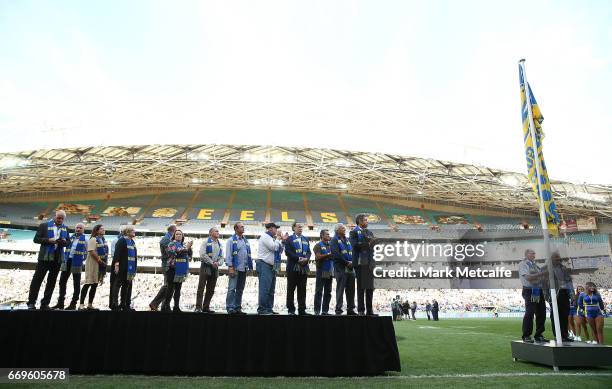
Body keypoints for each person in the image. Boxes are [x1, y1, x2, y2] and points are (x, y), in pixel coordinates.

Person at [27, 210, 69, 310]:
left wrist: (63, 242)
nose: (60, 220)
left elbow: (68, 242)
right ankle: (31, 303)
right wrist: (48, 240)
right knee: (37, 280)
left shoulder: (65, 228)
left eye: (62, 218)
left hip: (57, 258)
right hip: (44, 258)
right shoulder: (44, 225)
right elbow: (36, 239)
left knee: (51, 282)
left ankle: (45, 304)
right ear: (54, 216)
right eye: (58, 218)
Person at [53, 223, 87, 310]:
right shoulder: (71, 238)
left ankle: (73, 304)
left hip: (77, 262)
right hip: (67, 261)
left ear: (83, 230)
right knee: (62, 282)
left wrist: (82, 259)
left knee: (76, 283)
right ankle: (60, 302)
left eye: (80, 228)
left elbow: (87, 252)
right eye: (77, 228)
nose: (78, 229)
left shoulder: (86, 239)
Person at [518, 249, 549, 343]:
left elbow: (540, 278)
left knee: (541, 313)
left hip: (538, 290)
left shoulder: (535, 265)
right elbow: (528, 277)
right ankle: (526, 335)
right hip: (529, 290)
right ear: (526, 254)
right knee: (530, 313)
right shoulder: (523, 264)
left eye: (534, 253)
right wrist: (543, 274)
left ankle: (539, 335)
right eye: (532, 253)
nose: (534, 255)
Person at [350, 214, 377, 316]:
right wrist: (369, 243)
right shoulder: (353, 232)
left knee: (370, 287)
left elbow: (374, 246)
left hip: (369, 263)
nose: (367, 222)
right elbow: (355, 246)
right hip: (360, 262)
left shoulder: (369, 232)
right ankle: (361, 310)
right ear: (360, 221)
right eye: (366, 220)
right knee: (361, 287)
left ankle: (369, 310)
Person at [257, 222, 285, 315]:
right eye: (275, 228)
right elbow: (274, 247)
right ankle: (262, 309)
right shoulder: (265, 237)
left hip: (271, 265)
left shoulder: (271, 238)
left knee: (271, 289)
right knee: (265, 288)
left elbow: (280, 250)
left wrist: (282, 242)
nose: (276, 230)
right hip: (265, 265)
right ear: (270, 229)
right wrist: (278, 238)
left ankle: (269, 308)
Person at [284, 222, 312, 315]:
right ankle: (291, 310)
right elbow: (287, 252)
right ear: (294, 228)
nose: (300, 228)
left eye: (301, 227)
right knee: (291, 289)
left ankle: (302, 309)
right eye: (298, 227)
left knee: (302, 289)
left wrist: (306, 259)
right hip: (292, 268)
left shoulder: (305, 239)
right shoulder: (289, 239)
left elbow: (309, 252)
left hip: (303, 267)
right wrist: (298, 258)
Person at [162, 229, 193, 312]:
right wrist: (186, 248)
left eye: (180, 234)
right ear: (174, 236)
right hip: (172, 269)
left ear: (182, 236)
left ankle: (176, 306)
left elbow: (189, 257)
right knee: (170, 288)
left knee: (178, 290)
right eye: (177, 234)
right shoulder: (171, 244)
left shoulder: (183, 245)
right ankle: (166, 306)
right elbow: (174, 253)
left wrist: (189, 249)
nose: (178, 235)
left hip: (181, 269)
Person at [195, 227, 225, 313]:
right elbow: (202, 255)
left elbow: (222, 257)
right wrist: (212, 262)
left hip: (215, 267)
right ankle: (198, 307)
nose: (218, 232)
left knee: (211, 289)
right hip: (206, 266)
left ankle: (206, 307)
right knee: (201, 287)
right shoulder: (205, 242)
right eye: (216, 231)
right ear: (211, 233)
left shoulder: (220, 244)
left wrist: (218, 263)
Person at [225, 222, 252, 314]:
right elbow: (228, 254)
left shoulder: (245, 240)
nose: (243, 228)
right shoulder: (230, 240)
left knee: (240, 289)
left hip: (243, 268)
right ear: (236, 229)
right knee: (232, 288)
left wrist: (248, 266)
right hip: (235, 268)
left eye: (243, 227)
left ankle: (237, 307)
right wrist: (230, 267)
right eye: (241, 227)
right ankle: (230, 307)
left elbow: (247, 254)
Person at [80, 224, 108, 310]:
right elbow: (91, 251)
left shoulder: (102, 240)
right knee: (88, 283)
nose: (104, 230)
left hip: (99, 265)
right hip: (92, 264)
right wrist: (100, 261)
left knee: (95, 285)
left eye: (104, 229)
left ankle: (90, 304)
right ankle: (81, 305)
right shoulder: (93, 239)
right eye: (102, 229)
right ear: (97, 230)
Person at [330, 223, 356, 316]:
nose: (344, 229)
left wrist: (352, 262)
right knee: (340, 289)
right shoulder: (334, 240)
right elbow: (336, 254)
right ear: (337, 230)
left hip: (350, 268)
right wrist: (346, 263)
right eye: (342, 228)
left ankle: (351, 309)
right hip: (341, 268)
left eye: (344, 228)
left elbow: (352, 252)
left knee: (351, 290)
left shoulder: (347, 240)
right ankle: (339, 309)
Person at [149, 225, 176, 311]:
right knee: (168, 285)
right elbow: (169, 253)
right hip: (167, 265)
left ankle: (163, 305)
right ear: (174, 231)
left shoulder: (168, 238)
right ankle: (156, 303)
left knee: (170, 286)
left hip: (169, 264)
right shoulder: (166, 239)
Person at [111, 225, 137, 311]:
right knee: (118, 285)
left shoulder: (132, 242)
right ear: (128, 232)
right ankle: (115, 304)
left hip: (130, 268)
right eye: (133, 231)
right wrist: (117, 265)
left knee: (126, 286)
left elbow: (134, 255)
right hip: (122, 267)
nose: (134, 232)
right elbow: (117, 254)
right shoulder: (122, 240)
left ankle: (123, 304)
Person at [549, 252, 573, 342]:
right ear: (552, 259)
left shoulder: (564, 268)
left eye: (558, 258)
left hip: (564, 294)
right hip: (554, 294)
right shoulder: (548, 269)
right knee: (555, 315)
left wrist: (572, 294)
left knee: (564, 315)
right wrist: (548, 297)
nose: (558, 259)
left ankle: (565, 335)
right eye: (555, 258)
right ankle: (557, 335)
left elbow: (569, 281)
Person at [313, 229, 333, 315]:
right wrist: (328, 255)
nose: (329, 236)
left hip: (329, 270)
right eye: (327, 234)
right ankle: (317, 311)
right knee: (319, 291)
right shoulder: (318, 245)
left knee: (328, 292)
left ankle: (325, 311)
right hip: (321, 270)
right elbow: (317, 258)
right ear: (322, 236)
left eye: (329, 234)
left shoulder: (331, 245)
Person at [109, 225, 126, 309]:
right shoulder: (117, 240)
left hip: (124, 266)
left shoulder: (128, 241)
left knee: (123, 285)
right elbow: (114, 254)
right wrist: (117, 264)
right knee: (116, 284)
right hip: (118, 264)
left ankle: (122, 303)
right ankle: (113, 304)